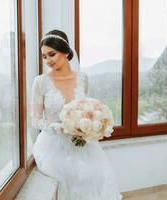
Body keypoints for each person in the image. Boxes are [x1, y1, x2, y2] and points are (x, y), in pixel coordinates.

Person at [31, 29, 122, 200]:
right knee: (66, 177)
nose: (48, 60)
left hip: (80, 143)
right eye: (44, 57)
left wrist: (87, 126)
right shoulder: (40, 82)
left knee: (97, 176)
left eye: (52, 54)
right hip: (52, 145)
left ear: (65, 52)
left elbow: (85, 109)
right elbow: (35, 118)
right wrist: (56, 127)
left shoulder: (83, 78)